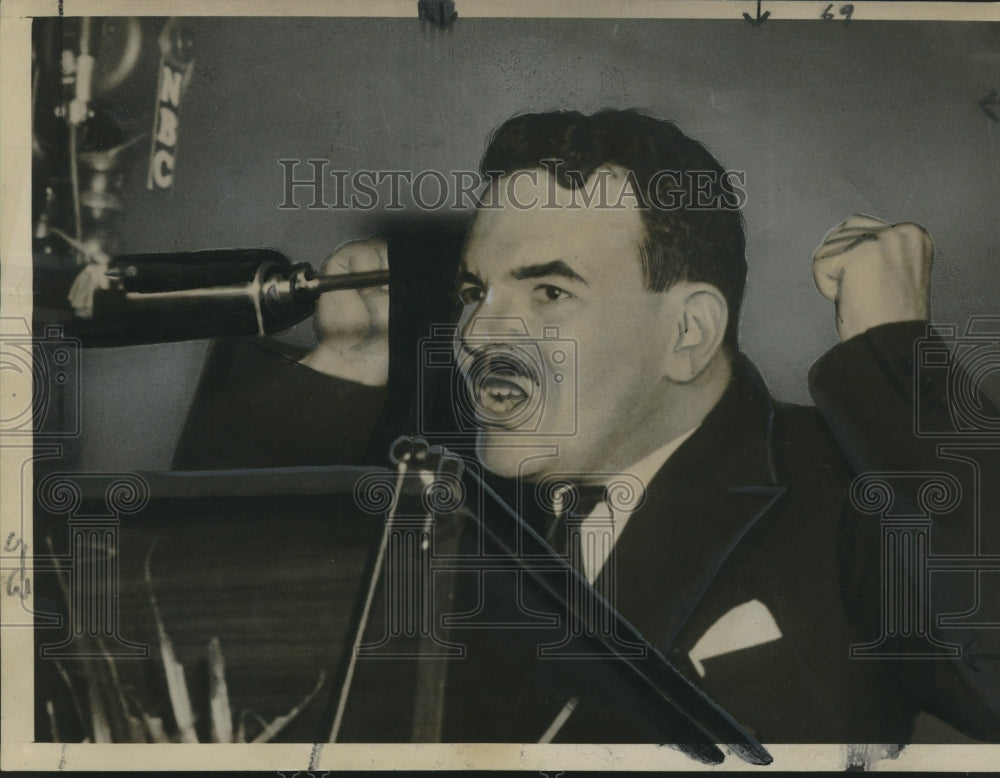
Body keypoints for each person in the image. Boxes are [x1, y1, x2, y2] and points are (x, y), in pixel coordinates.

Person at [320, 109, 1000, 746]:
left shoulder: (849, 485)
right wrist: (337, 372)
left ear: (688, 332)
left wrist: (894, 356)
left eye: (549, 292)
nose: (476, 333)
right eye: (475, 293)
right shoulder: (460, 505)